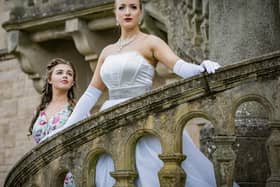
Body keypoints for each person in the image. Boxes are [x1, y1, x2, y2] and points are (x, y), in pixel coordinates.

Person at [43, 0, 239, 186]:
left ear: (140, 12)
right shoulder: (107, 51)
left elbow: (179, 66)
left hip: (142, 118)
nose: (127, 12)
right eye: (122, 7)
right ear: (115, 13)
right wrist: (66, 128)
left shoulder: (151, 42)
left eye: (133, 7)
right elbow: (90, 94)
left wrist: (201, 68)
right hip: (111, 122)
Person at [29, 58, 76, 187]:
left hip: (66, 173)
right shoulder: (39, 112)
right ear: (49, 79)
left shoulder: (76, 110)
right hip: (41, 173)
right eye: (59, 72)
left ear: (72, 83)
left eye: (69, 74)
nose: (65, 75)